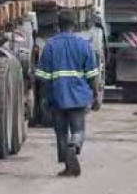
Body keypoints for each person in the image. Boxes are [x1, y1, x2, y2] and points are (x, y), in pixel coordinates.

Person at [35, 10, 101, 177]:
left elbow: (42, 77)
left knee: (61, 132)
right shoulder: (83, 45)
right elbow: (92, 75)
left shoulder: (50, 45)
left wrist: (42, 98)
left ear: (57, 26)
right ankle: (74, 146)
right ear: (75, 26)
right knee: (78, 129)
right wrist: (96, 95)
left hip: (57, 96)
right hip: (78, 96)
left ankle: (67, 165)